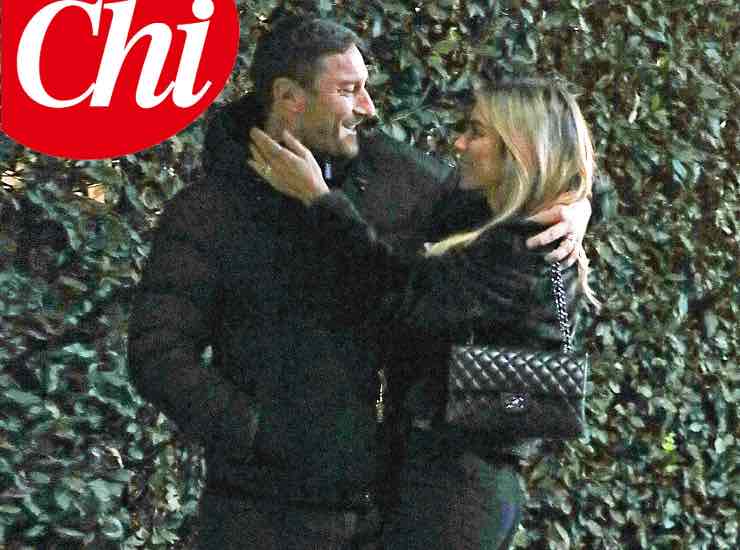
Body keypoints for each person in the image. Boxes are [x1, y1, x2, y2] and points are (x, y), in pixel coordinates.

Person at [127, 15, 593, 549]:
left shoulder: (402, 180)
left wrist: (578, 204)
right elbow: (158, 351)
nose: (369, 107)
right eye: (348, 90)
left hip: (393, 510)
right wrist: (258, 433)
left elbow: (524, 183)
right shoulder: (211, 210)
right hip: (260, 513)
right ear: (289, 97)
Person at [250, 74, 599, 549]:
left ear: (520, 150)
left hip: (453, 490)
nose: (459, 144)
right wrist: (585, 202)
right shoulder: (502, 223)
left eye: (476, 132)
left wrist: (321, 201)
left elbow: (400, 295)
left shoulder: (519, 250)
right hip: (454, 480)